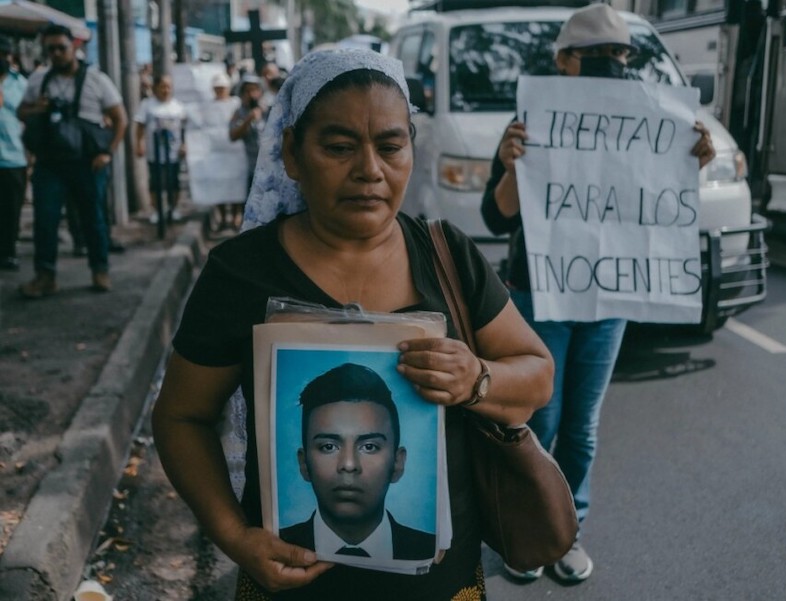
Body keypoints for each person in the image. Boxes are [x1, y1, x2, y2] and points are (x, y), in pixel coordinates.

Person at [151, 48, 553, 600]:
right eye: (339, 147)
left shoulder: (447, 256)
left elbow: (536, 375)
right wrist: (234, 536)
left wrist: (476, 379)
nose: (370, 170)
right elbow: (181, 416)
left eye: (390, 146)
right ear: (292, 152)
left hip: (444, 586)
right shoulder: (240, 273)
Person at [480, 3, 716, 584]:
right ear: (564, 62)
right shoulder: (530, 123)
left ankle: (566, 532)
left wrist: (694, 162)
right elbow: (496, 214)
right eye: (599, 56)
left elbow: (659, 207)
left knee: (582, 424)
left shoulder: (653, 115)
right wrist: (513, 165)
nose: (614, 66)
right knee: (541, 418)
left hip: (607, 300)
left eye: (621, 56)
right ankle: (526, 530)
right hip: (541, 296)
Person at [279, 363, 436, 562]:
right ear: (304, 464)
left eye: (369, 446)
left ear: (398, 463)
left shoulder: (431, 552)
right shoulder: (276, 545)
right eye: (328, 446)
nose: (349, 464)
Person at [17, 24, 127, 297]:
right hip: (50, 162)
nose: (56, 54)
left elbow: (120, 119)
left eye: (61, 48)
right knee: (45, 219)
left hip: (87, 162)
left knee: (94, 219)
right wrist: (37, 108)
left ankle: (99, 270)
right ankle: (45, 276)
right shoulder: (38, 80)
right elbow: (21, 112)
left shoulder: (96, 79)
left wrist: (107, 153)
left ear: (74, 47)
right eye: (50, 49)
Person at [135, 73, 187, 224]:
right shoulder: (147, 104)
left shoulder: (178, 106)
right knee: (156, 183)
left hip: (174, 152)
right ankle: (157, 211)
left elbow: (184, 129)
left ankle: (173, 208)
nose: (166, 90)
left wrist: (184, 145)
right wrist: (139, 144)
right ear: (156, 87)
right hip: (154, 152)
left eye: (169, 86)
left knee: (173, 182)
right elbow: (139, 126)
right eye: (163, 86)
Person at [0, 44, 28, 272]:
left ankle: (8, 251)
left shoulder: (20, 84)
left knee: (11, 210)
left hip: (13, 157)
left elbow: (30, 118)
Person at [205, 72, 243, 232]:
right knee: (218, 187)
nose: (220, 91)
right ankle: (222, 218)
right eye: (217, 88)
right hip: (216, 153)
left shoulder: (236, 103)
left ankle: (236, 217)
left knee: (236, 185)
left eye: (223, 88)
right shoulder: (208, 106)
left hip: (235, 152)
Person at [228, 74, 267, 228]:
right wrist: (248, 120)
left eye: (254, 90)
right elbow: (232, 135)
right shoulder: (240, 112)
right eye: (248, 91)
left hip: (269, 166)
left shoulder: (269, 109)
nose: (252, 94)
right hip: (250, 166)